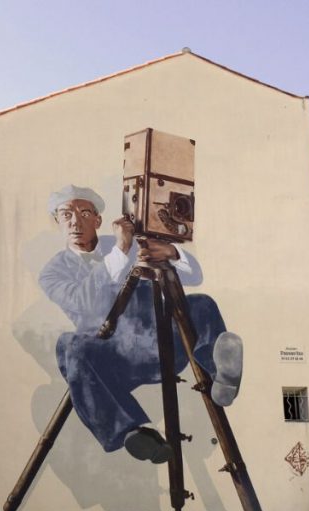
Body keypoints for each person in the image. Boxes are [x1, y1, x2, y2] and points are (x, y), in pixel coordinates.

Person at [39, 184, 242, 464]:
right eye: (66, 214)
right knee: (69, 345)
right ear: (57, 221)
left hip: (162, 344)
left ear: (98, 220)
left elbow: (194, 275)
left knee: (202, 304)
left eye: (85, 213)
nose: (76, 221)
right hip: (115, 361)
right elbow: (83, 303)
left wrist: (171, 252)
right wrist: (121, 251)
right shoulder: (53, 272)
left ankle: (222, 375)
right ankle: (134, 433)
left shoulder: (129, 240)